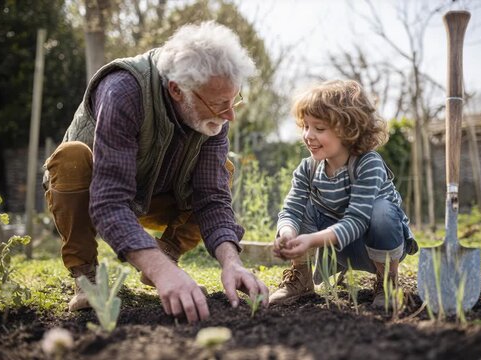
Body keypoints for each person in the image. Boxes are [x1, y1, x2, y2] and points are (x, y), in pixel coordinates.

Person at [43, 21, 268, 323]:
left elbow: (212, 198)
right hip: (94, 188)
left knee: (222, 170)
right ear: (177, 89)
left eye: (233, 100)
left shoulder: (214, 118)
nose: (230, 115)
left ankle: (165, 257)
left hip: (157, 193)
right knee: (71, 158)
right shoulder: (123, 90)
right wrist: (163, 271)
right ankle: (87, 277)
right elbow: (109, 201)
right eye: (219, 104)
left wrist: (232, 262)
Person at [270, 80, 417, 307]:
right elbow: (291, 209)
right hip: (335, 248)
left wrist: (311, 239)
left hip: (375, 246)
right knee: (304, 208)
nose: (308, 135)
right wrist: (288, 234)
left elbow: (357, 220)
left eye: (319, 128)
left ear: (349, 130)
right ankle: (302, 278)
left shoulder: (368, 164)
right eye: (305, 126)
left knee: (382, 210)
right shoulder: (308, 168)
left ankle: (388, 281)